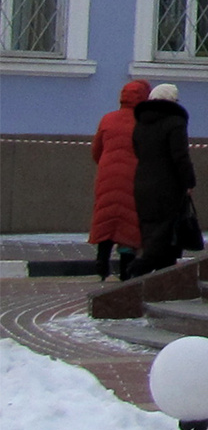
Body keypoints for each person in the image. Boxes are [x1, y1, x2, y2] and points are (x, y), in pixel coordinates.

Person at [130, 82, 196, 277]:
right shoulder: (175, 122)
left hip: (142, 184)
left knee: (150, 231)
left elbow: (138, 151)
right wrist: (189, 182)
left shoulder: (141, 122)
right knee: (165, 234)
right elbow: (180, 156)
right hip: (168, 187)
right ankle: (139, 270)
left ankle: (162, 280)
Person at [88, 79, 147, 281]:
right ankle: (125, 269)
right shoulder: (144, 122)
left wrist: (106, 165)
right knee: (128, 224)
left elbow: (96, 151)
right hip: (133, 177)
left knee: (107, 218)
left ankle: (102, 259)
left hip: (107, 176)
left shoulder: (108, 119)